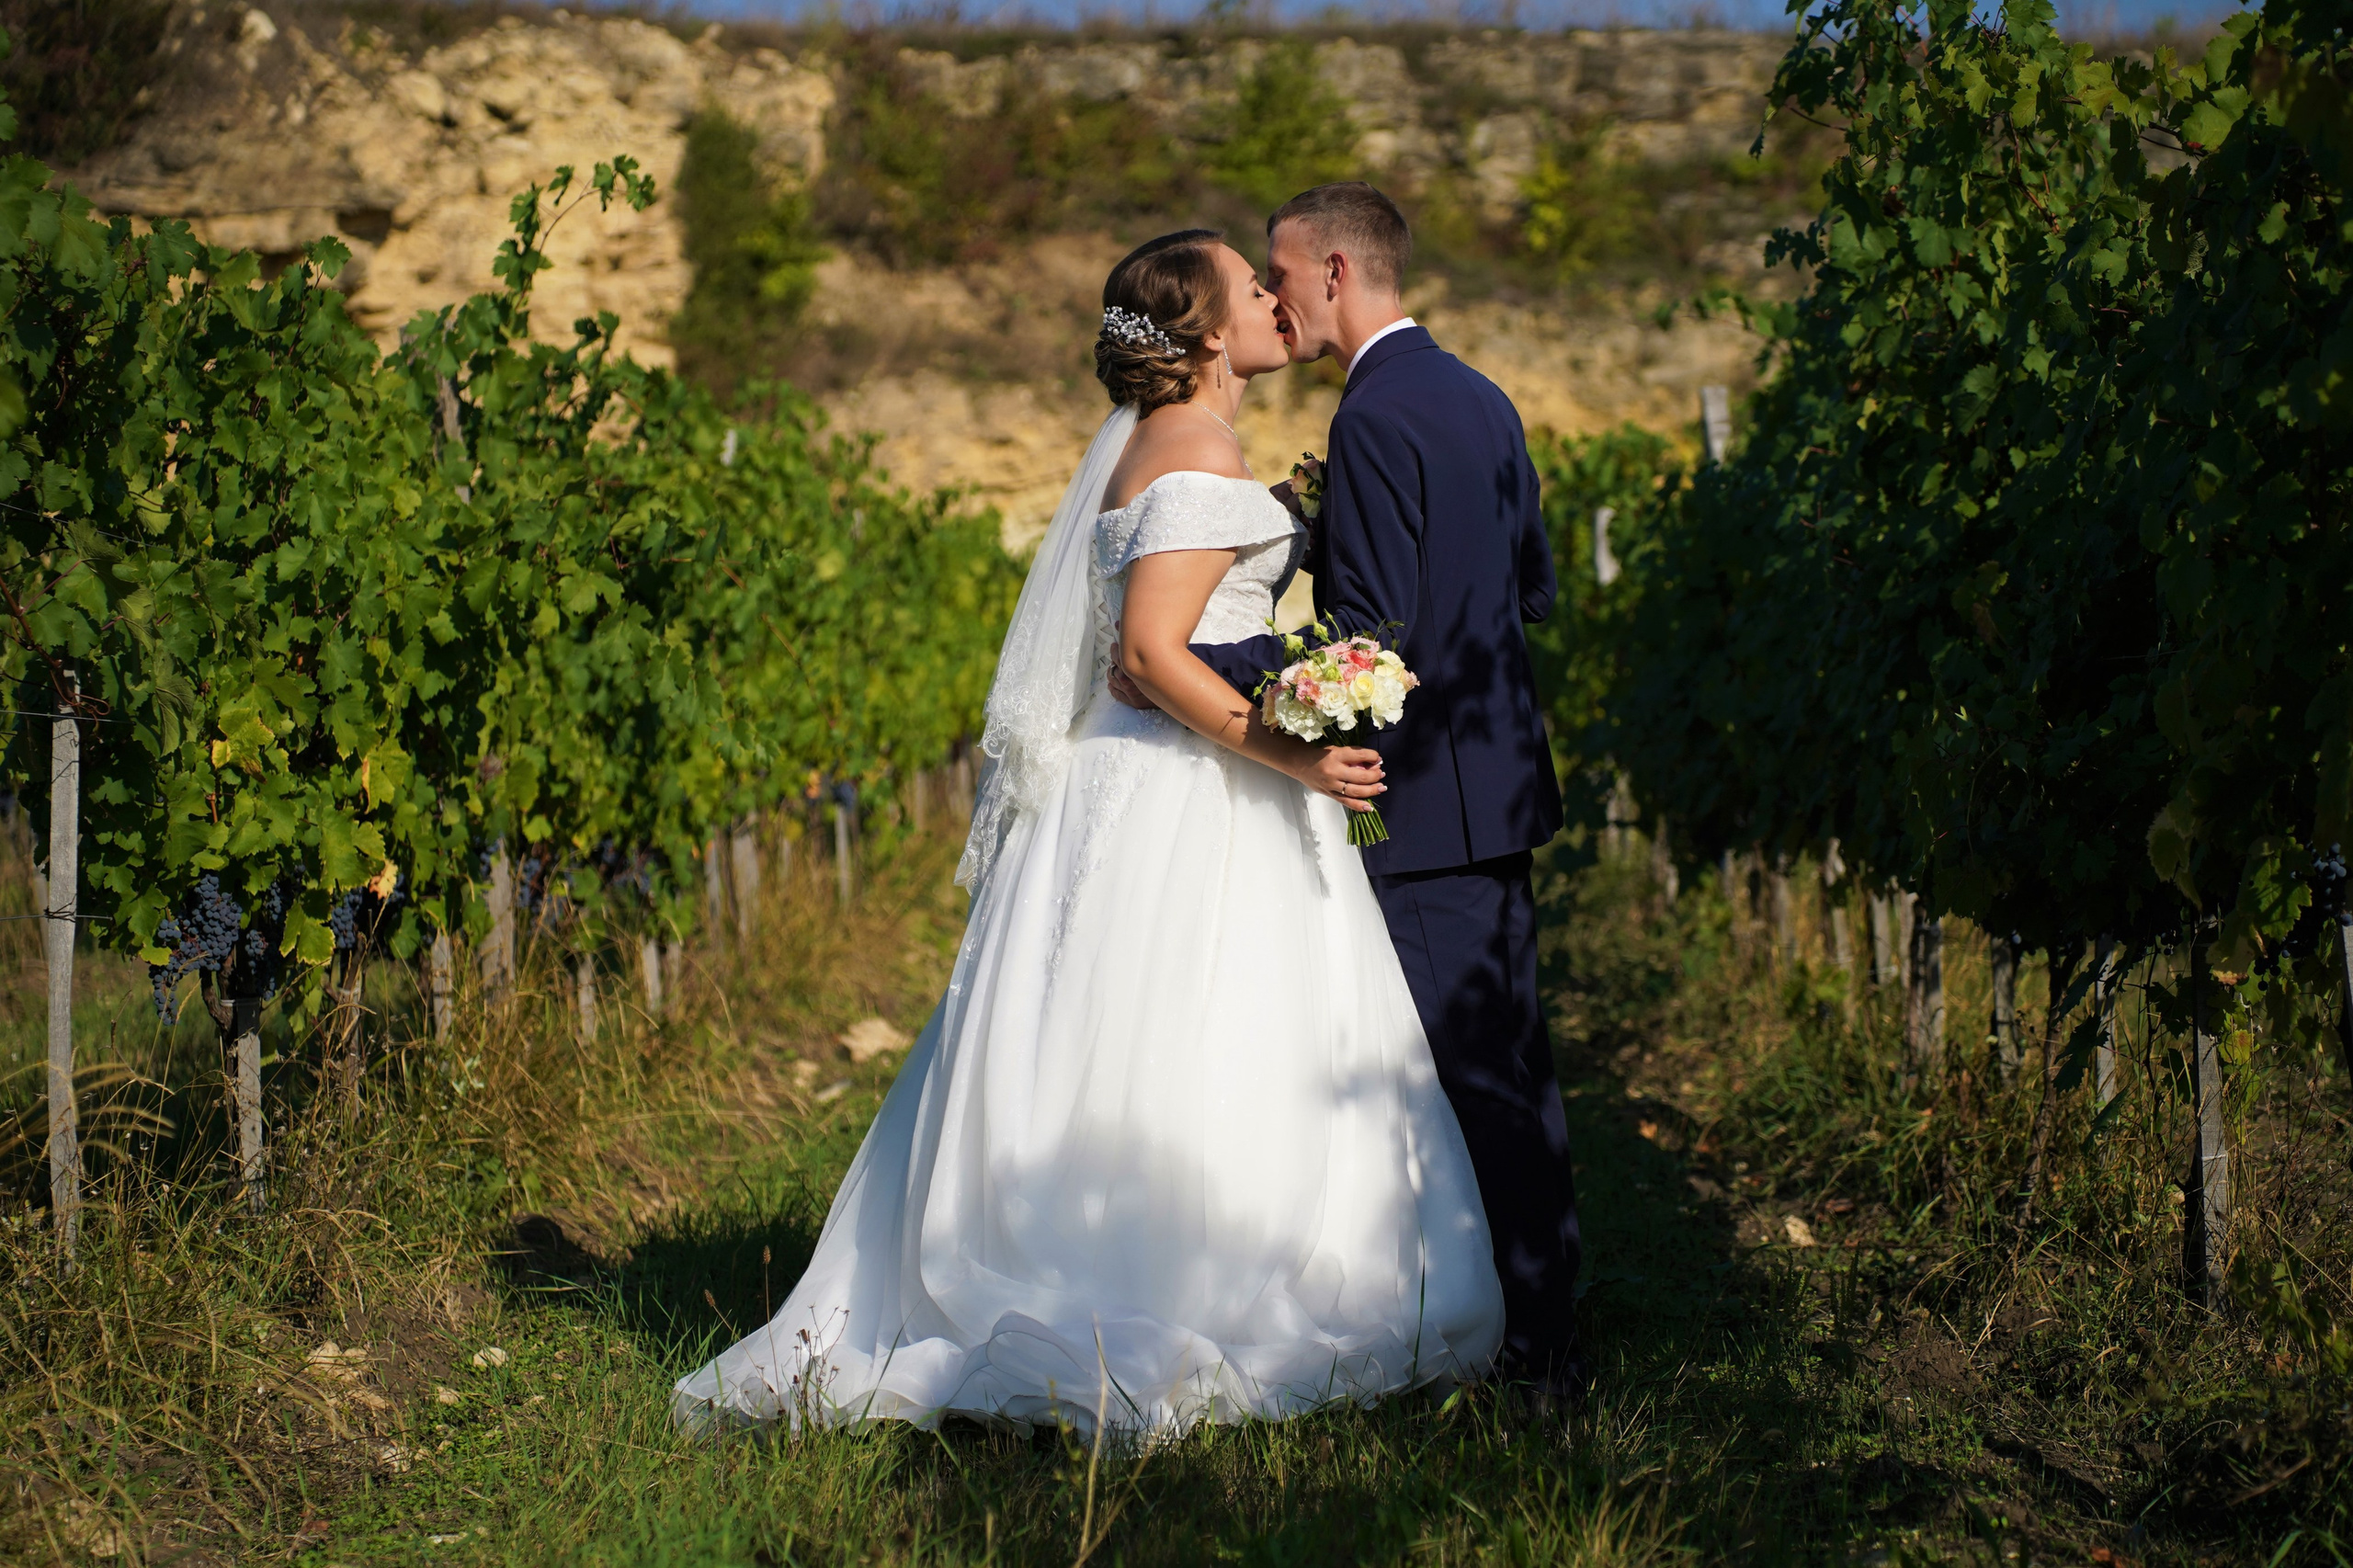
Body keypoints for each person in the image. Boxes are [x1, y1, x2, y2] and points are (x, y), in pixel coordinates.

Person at [671, 228, 1503, 1437]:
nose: (1277, 300)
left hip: (1141, 782)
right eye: (1250, 286)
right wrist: (1297, 753)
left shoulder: (1160, 446)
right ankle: (1173, 1283)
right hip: (1191, 786)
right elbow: (1147, 655)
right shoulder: (1200, 445)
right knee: (1205, 1025)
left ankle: (1081, 1243)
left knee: (1123, 1029)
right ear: (1209, 333)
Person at [1130, 183, 1585, 1400]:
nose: (1274, 299)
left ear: (1336, 273)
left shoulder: (1375, 418)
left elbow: (1367, 636)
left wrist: (1226, 666)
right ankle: (1547, 1312)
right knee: (1515, 1059)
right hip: (1500, 779)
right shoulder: (1482, 396)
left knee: (1458, 1071)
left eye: (1282, 276)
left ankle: (1531, 1354)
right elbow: (1532, 590)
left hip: (1416, 795)